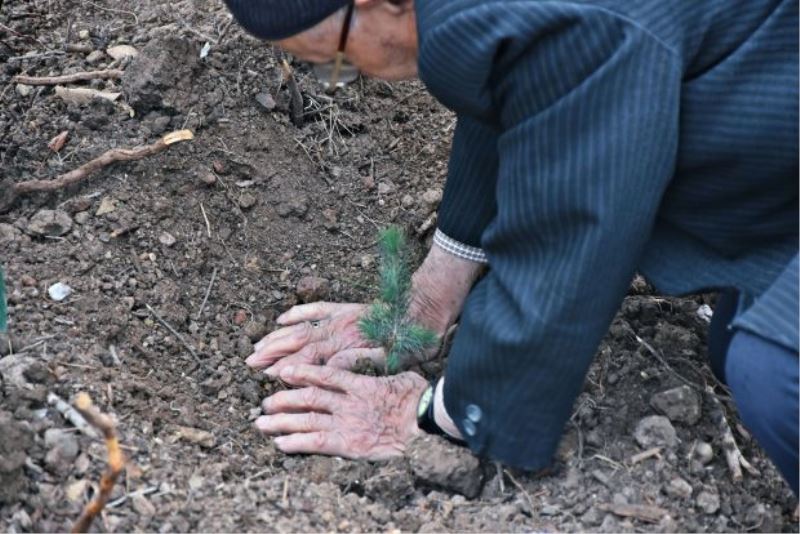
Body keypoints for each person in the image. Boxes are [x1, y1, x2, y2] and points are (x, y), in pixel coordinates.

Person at [224, 0, 799, 494]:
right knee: (732, 344)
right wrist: (431, 294)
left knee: (772, 373)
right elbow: (518, 82)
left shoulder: (572, 24)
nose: (348, 76)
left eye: (340, 63)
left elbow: (573, 226)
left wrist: (442, 413)